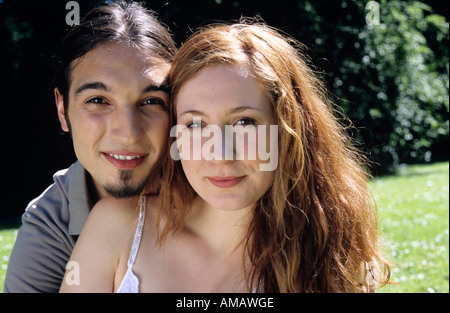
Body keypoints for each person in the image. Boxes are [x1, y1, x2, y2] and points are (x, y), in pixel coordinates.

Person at [60, 21, 390, 293]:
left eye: (244, 122)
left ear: (289, 129)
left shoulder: (328, 247)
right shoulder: (117, 226)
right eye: (195, 124)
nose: (219, 153)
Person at [4, 1, 176, 293]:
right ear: (63, 110)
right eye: (97, 100)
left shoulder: (221, 188)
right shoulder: (50, 228)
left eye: (151, 101)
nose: (128, 134)